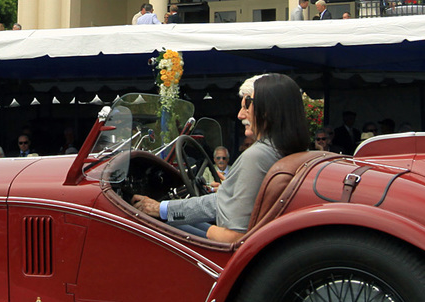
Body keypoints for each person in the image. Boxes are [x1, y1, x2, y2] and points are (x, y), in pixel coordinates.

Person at [130, 73, 309, 243]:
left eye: (247, 104)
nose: (240, 114)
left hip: (227, 248)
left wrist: (160, 212)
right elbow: (224, 201)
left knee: (149, 224)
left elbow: (234, 236)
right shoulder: (285, 151)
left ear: (268, 109)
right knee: (167, 216)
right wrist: (162, 208)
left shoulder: (257, 157)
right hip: (252, 239)